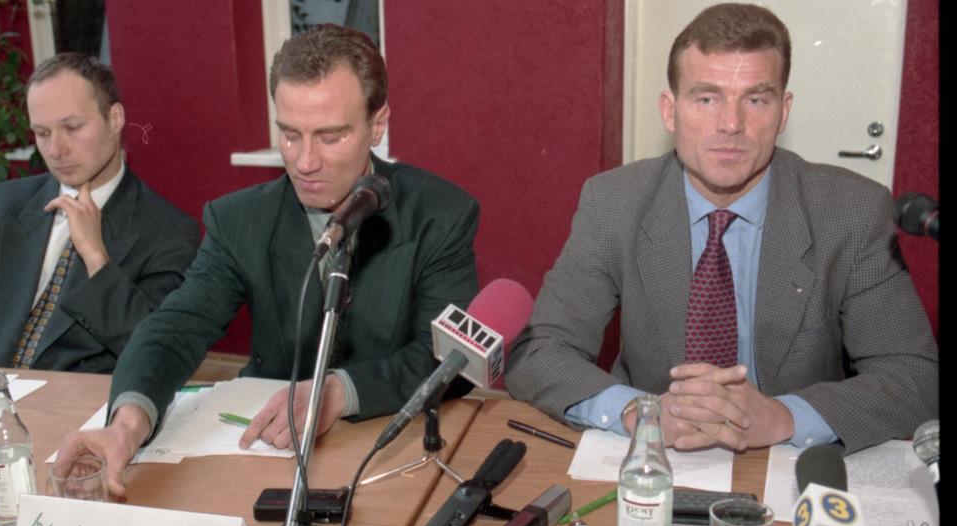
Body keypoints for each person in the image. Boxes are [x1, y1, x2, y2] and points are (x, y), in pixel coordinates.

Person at [56, 24, 479, 498]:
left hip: (396, 454)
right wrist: (126, 425)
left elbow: (448, 359)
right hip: (267, 455)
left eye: (331, 136)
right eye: (290, 135)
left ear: (376, 124)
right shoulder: (240, 220)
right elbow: (175, 329)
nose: (305, 161)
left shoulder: (440, 215)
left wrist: (339, 391)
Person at [505, 3, 937, 455]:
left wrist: (785, 417)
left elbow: (914, 376)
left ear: (783, 112)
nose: (731, 124)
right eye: (707, 98)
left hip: (789, 459)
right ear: (669, 111)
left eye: (756, 99)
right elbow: (540, 351)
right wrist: (638, 413)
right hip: (655, 458)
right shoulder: (615, 202)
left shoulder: (850, 211)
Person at [0, 53, 199, 372]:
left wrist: (96, 258)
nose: (56, 150)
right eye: (42, 133)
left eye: (72, 127)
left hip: (75, 397)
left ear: (115, 119)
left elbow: (155, 353)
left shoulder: (168, 231)